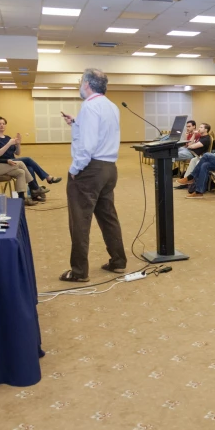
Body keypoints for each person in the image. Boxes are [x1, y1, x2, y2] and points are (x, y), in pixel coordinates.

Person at [59, 68, 127, 282]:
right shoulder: (111, 106)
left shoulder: (89, 106)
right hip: (109, 168)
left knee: (79, 220)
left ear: (87, 84)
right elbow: (99, 133)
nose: (80, 85)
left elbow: (87, 146)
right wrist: (76, 123)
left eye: (81, 82)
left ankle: (79, 272)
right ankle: (118, 261)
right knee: (108, 217)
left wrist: (74, 169)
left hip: (90, 170)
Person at [0, 116, 61, 194]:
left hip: (14, 162)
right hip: (4, 163)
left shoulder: (7, 137)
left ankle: (34, 192)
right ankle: (47, 177)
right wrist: (9, 144)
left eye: (4, 124)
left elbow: (17, 153)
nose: (2, 125)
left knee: (30, 168)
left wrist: (18, 144)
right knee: (28, 159)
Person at [176, 121, 215, 187]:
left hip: (198, 155)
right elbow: (189, 144)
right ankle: (186, 180)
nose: (199, 128)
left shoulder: (206, 138)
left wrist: (189, 145)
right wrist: (194, 135)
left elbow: (191, 146)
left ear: (206, 130)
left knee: (175, 154)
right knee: (192, 160)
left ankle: (192, 181)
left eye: (201, 127)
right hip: (194, 154)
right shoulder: (201, 137)